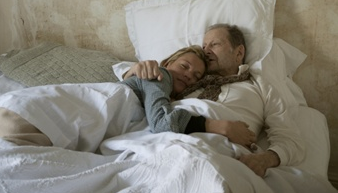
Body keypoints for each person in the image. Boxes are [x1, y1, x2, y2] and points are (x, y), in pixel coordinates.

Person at [119, 24, 306, 177]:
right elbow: (142, 94)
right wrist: (135, 70)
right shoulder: (186, 80)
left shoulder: (261, 85)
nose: (206, 51)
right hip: (163, 143)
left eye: (214, 44)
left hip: (220, 155)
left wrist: (263, 160)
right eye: (204, 45)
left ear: (238, 52)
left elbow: (290, 140)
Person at [0, 45, 256, 151]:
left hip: (25, 110)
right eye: (185, 66)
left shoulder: (164, 89)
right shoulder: (160, 76)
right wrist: (216, 125)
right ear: (168, 63)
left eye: (196, 76)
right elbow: (162, 123)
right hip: (34, 115)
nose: (189, 76)